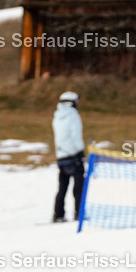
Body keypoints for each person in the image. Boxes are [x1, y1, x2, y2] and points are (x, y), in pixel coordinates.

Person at [51, 91, 85, 222]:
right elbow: (76, 136)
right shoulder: (73, 116)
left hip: (61, 156)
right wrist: (80, 151)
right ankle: (79, 213)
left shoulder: (56, 116)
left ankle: (58, 214)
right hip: (74, 157)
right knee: (78, 187)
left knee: (62, 188)